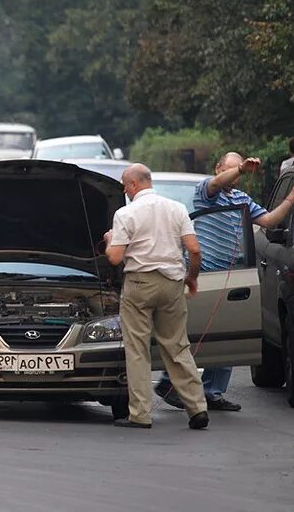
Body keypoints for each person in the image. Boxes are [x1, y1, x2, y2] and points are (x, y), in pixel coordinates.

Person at [156, 152, 294, 411]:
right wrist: (240, 168)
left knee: (225, 331)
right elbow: (217, 184)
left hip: (230, 274)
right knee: (191, 331)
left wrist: (291, 199)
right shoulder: (206, 191)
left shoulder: (241, 198)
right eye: (229, 170)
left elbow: (269, 220)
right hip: (202, 272)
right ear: (218, 168)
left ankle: (212, 392)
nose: (235, 176)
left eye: (238, 172)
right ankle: (168, 382)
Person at [104, 163, 209, 429]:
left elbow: (115, 258)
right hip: (172, 283)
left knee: (138, 350)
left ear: (134, 185)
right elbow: (194, 250)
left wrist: (109, 240)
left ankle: (140, 414)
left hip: (139, 284)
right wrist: (192, 277)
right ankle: (197, 409)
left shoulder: (125, 213)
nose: (125, 190)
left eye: (125, 185)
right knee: (177, 345)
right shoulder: (177, 209)